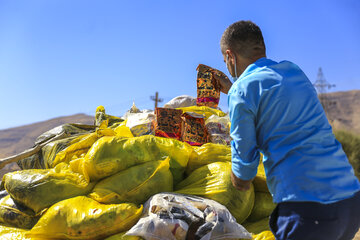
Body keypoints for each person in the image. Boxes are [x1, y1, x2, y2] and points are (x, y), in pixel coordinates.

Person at [215, 20, 360, 240]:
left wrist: (233, 184)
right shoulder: (293, 71)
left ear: (230, 57)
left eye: (225, 61)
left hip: (307, 208)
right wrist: (235, 90)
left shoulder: (242, 92)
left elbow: (244, 171)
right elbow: (271, 100)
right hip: (349, 200)